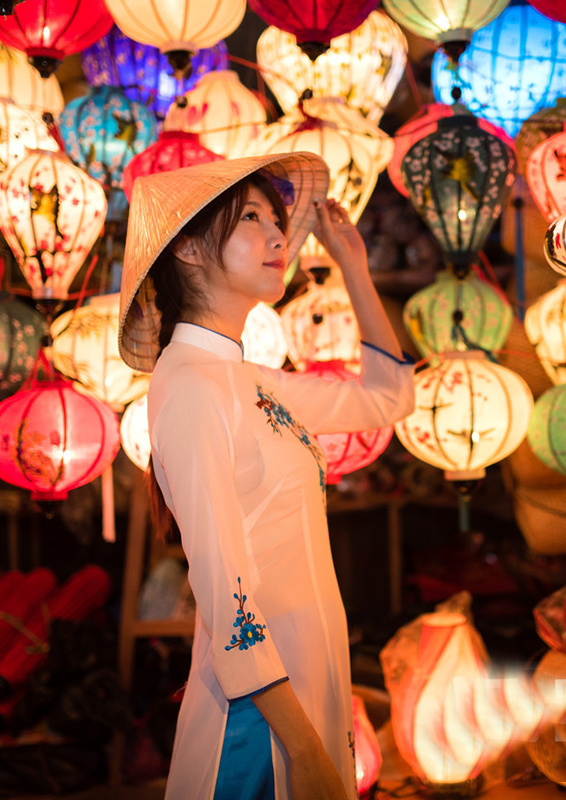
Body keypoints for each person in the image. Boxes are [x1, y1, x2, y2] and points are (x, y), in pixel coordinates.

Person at [118, 153, 415, 800]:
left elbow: (387, 400)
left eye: (276, 218)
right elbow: (222, 588)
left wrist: (355, 268)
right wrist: (303, 749)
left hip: (311, 672)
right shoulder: (191, 387)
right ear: (190, 249)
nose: (281, 234)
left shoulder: (245, 378)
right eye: (252, 217)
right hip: (260, 713)